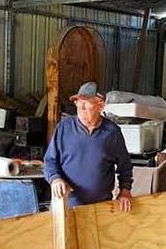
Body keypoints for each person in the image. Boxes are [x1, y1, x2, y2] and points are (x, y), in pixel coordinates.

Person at [43, 82, 133, 211]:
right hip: (67, 206)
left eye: (86, 104)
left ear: (100, 106)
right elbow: (50, 161)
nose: (81, 108)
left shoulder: (112, 132)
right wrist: (56, 179)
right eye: (79, 103)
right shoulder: (64, 128)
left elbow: (125, 167)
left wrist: (125, 191)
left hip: (101, 207)